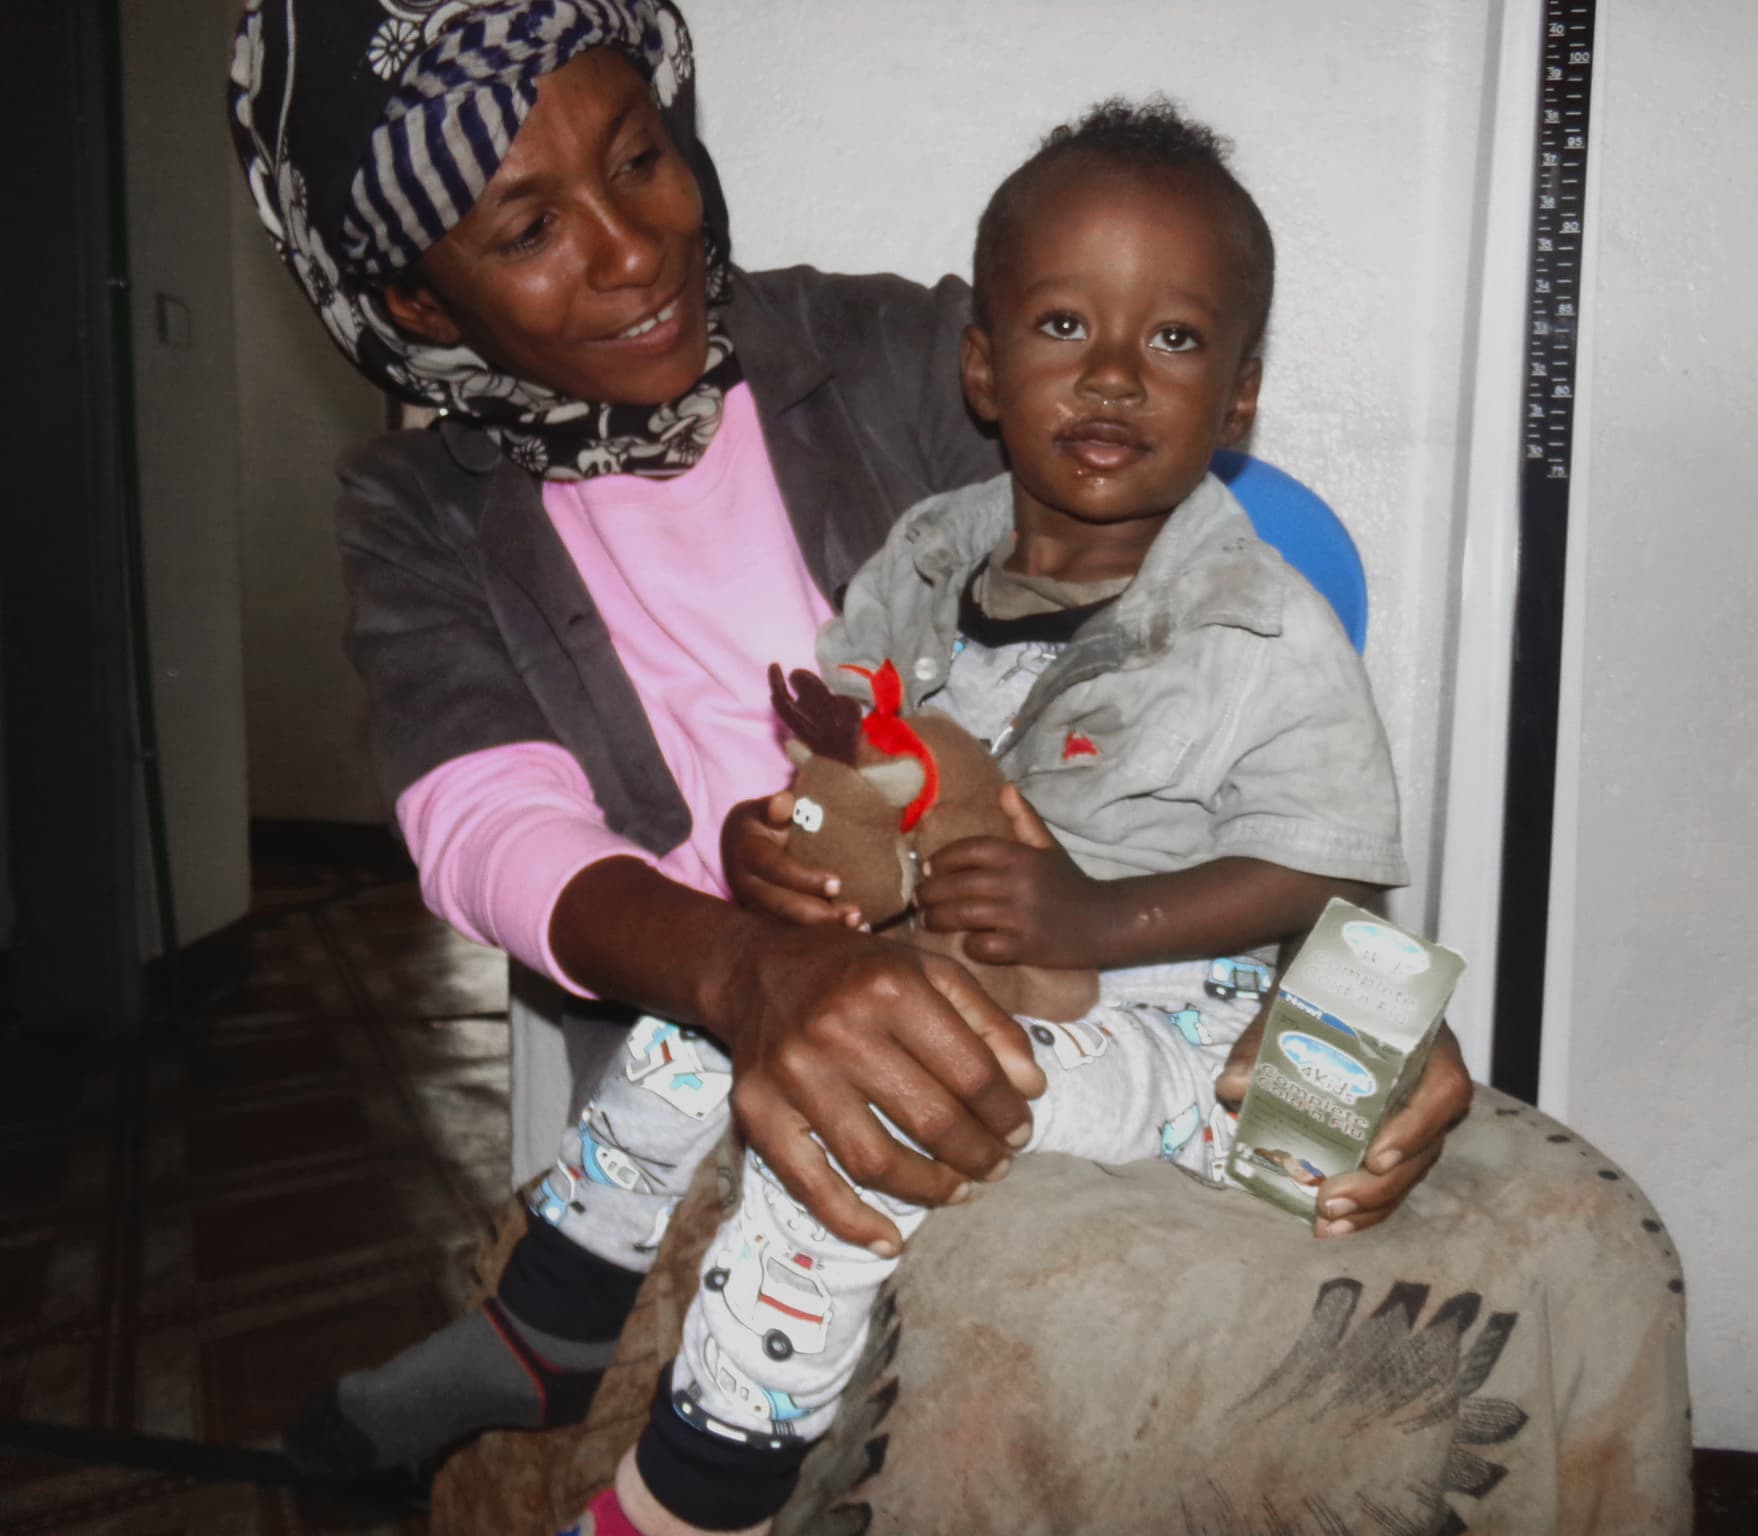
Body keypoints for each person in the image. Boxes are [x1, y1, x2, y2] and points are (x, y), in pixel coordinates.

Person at [225, 0, 1470, 1505]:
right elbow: (489, 828)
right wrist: (759, 957)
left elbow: (1205, 655)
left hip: (1058, 943)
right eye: (526, 227)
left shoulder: (892, 354)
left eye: (641, 159)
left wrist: (1345, 1007)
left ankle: (688, 1485)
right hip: (742, 971)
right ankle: (547, 1331)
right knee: (743, 1080)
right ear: (419, 304)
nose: (632, 247)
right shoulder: (418, 515)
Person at [551, 98, 1414, 1535]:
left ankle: (707, 1490)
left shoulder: (1260, 624)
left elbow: (1328, 863)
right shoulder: (922, 558)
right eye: (1066, 327)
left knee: (873, 1102)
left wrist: (1092, 913)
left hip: (1163, 1007)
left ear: (1240, 394)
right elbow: (849, 768)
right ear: (983, 366)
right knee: (707, 1015)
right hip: (946, 943)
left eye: (1179, 341)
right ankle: (558, 1295)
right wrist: (781, 856)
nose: (1119, 375)